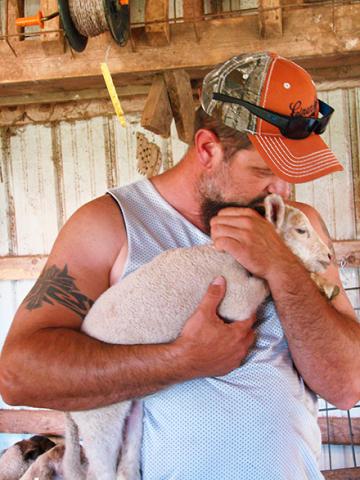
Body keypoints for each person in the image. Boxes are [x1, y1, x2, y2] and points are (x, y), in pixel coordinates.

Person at [0, 51, 359, 479]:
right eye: (264, 170)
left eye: (292, 172)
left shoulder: (297, 227)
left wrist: (281, 265)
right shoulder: (113, 225)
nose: (281, 190)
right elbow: (20, 375)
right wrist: (181, 360)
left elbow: (347, 385)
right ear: (208, 148)